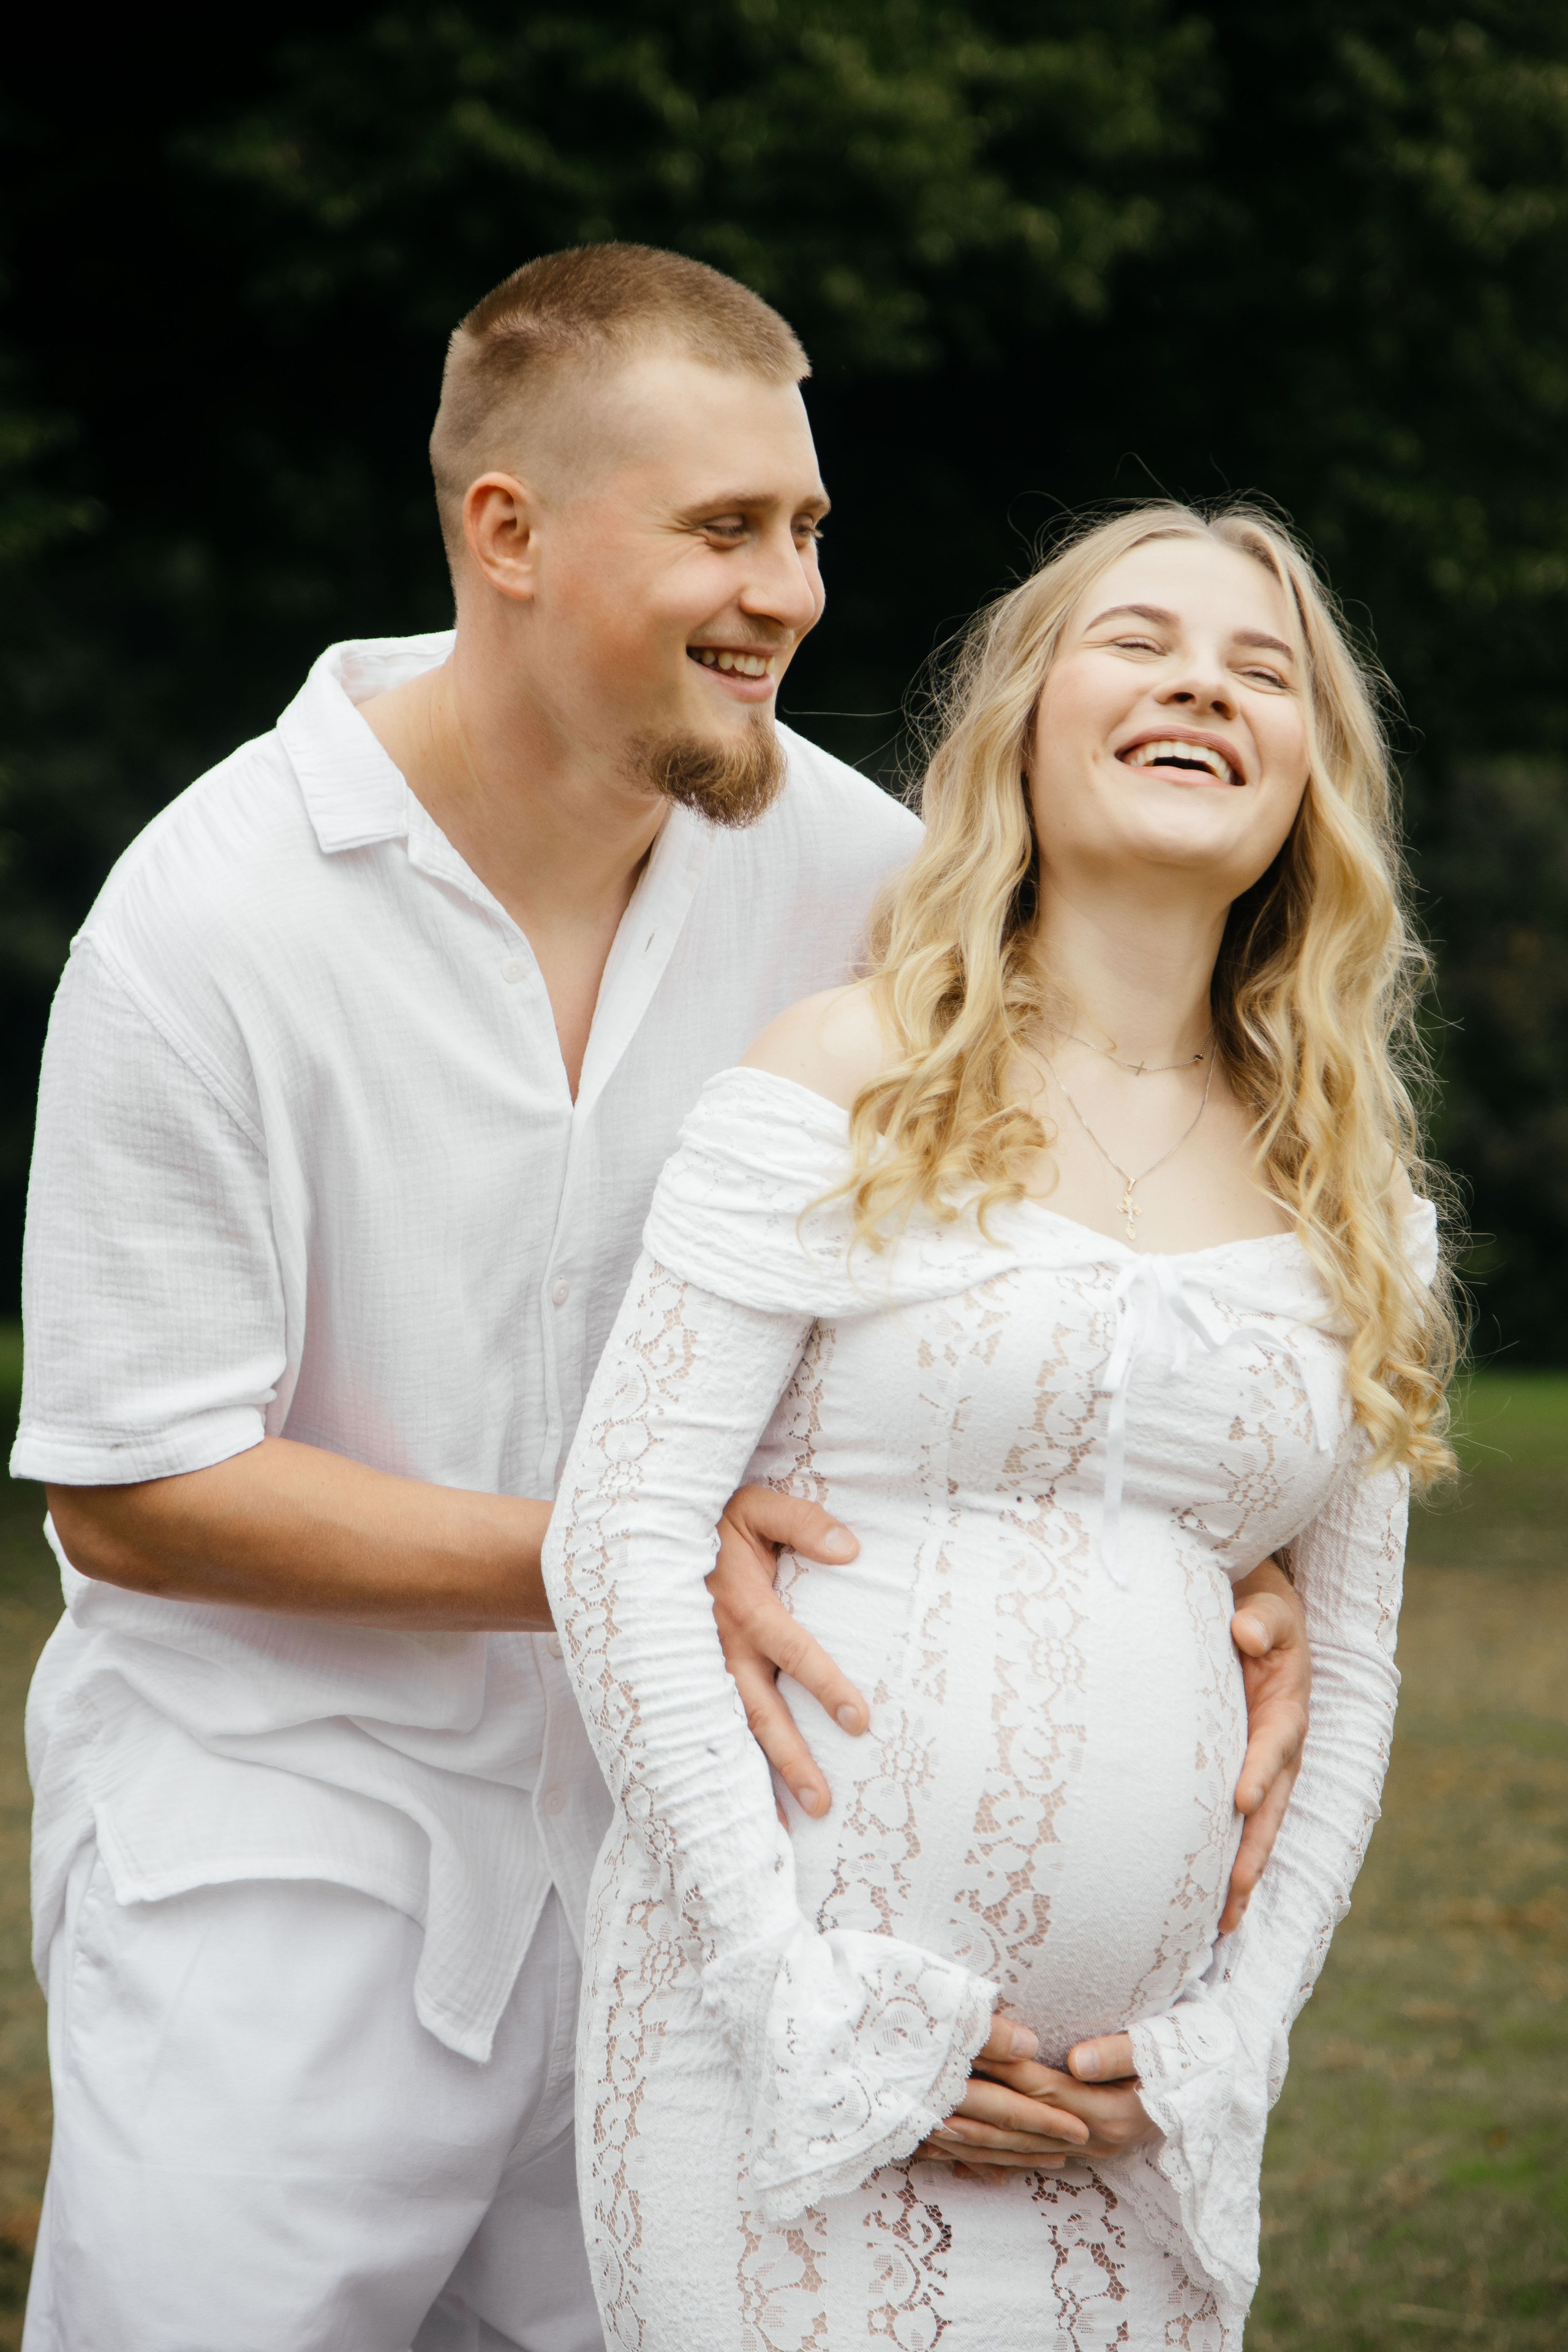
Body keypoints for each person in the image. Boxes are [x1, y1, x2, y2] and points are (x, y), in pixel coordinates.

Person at [13, 247, 1306, 2352]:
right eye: (723, 528)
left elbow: (1102, 1265)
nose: (788, 590)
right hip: (283, 1862)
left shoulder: (868, 882)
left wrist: (1223, 1578)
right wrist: (630, 1561)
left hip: (712, 1871)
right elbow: (135, 1489)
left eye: (804, 528)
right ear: (504, 534)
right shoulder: (209, 918)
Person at [543, 499, 1458, 2348]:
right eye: (1139, 641)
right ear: (1028, 716)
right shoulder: (839, 1072)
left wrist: (1226, 2042)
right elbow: (623, 1533)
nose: (1202, 677)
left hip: (1126, 2116)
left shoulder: (1363, 1198)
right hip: (766, 2051)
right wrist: (796, 1994)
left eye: (1261, 667)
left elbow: (1346, 1672)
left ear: (1309, 784)